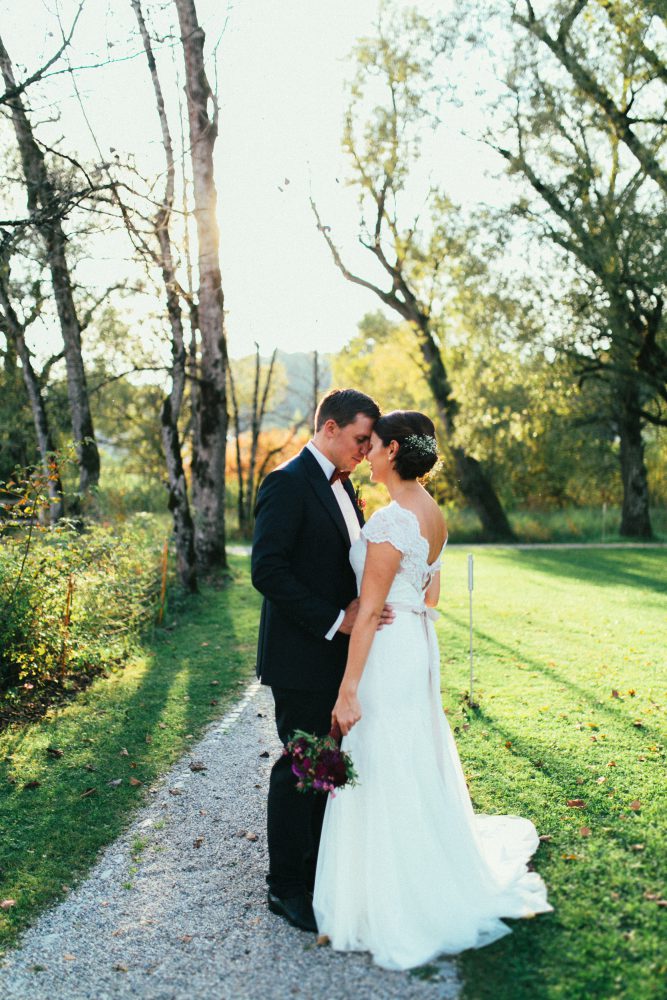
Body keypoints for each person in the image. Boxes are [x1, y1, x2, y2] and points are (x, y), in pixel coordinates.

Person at [313, 410, 553, 970]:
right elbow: (432, 595)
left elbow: (369, 614)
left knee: (383, 757)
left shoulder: (394, 520)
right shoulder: (431, 512)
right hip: (418, 646)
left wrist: (348, 690)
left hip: (389, 654)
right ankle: (424, 868)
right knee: (409, 755)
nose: (366, 454)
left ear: (394, 450)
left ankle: (394, 896)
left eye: (373, 446)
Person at [251, 387, 394, 934]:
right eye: (361, 439)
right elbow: (268, 570)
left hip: (335, 656)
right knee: (301, 764)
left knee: (327, 763)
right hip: (302, 654)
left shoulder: (346, 487)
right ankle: (284, 887)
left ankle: (313, 870)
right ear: (329, 428)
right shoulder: (286, 483)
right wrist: (340, 619)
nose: (365, 450)